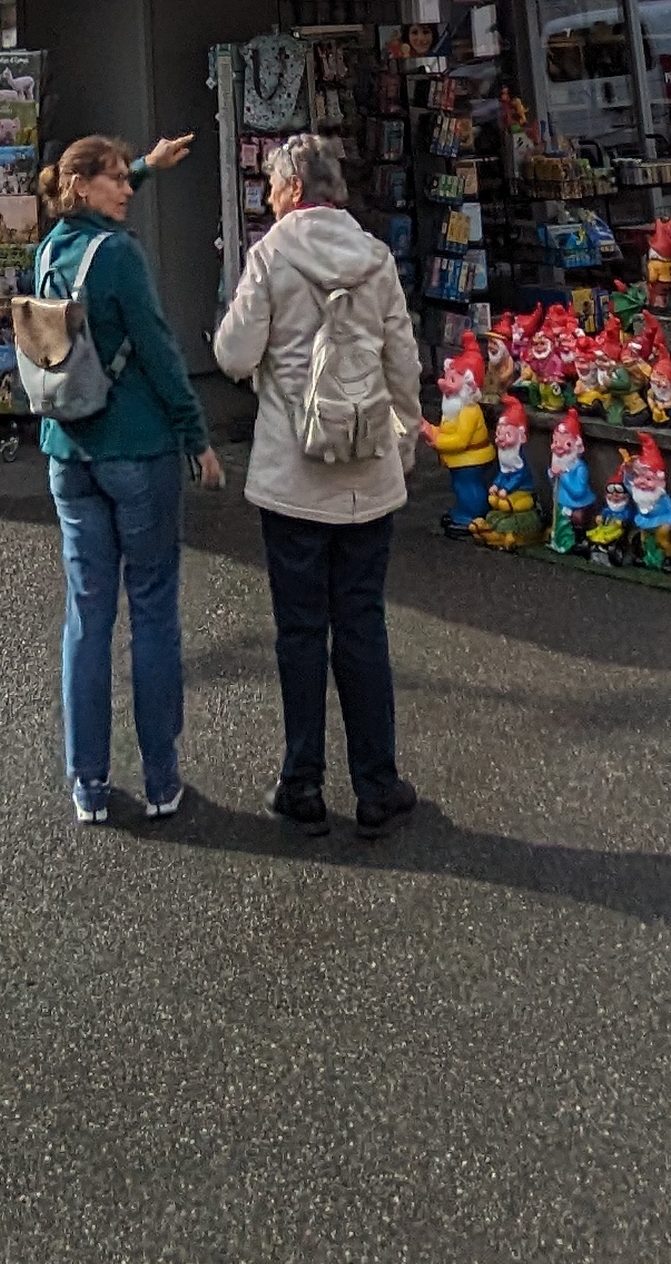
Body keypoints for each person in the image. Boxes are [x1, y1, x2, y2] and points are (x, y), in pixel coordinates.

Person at [213, 134, 423, 835]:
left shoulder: (272, 253)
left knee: (301, 630)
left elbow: (233, 353)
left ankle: (301, 783)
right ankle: (378, 784)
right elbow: (402, 361)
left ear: (292, 189)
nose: (269, 200)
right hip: (368, 471)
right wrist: (407, 436)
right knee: (362, 622)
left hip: (292, 473)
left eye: (272, 189)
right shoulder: (376, 258)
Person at [31, 130, 213, 826]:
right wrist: (197, 437)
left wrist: (144, 164)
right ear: (83, 188)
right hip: (136, 449)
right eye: (118, 180)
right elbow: (163, 353)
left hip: (68, 452)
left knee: (88, 616)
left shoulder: (52, 251)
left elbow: (88, 204)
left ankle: (89, 783)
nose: (128, 190)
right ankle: (163, 778)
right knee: (155, 611)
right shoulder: (124, 259)